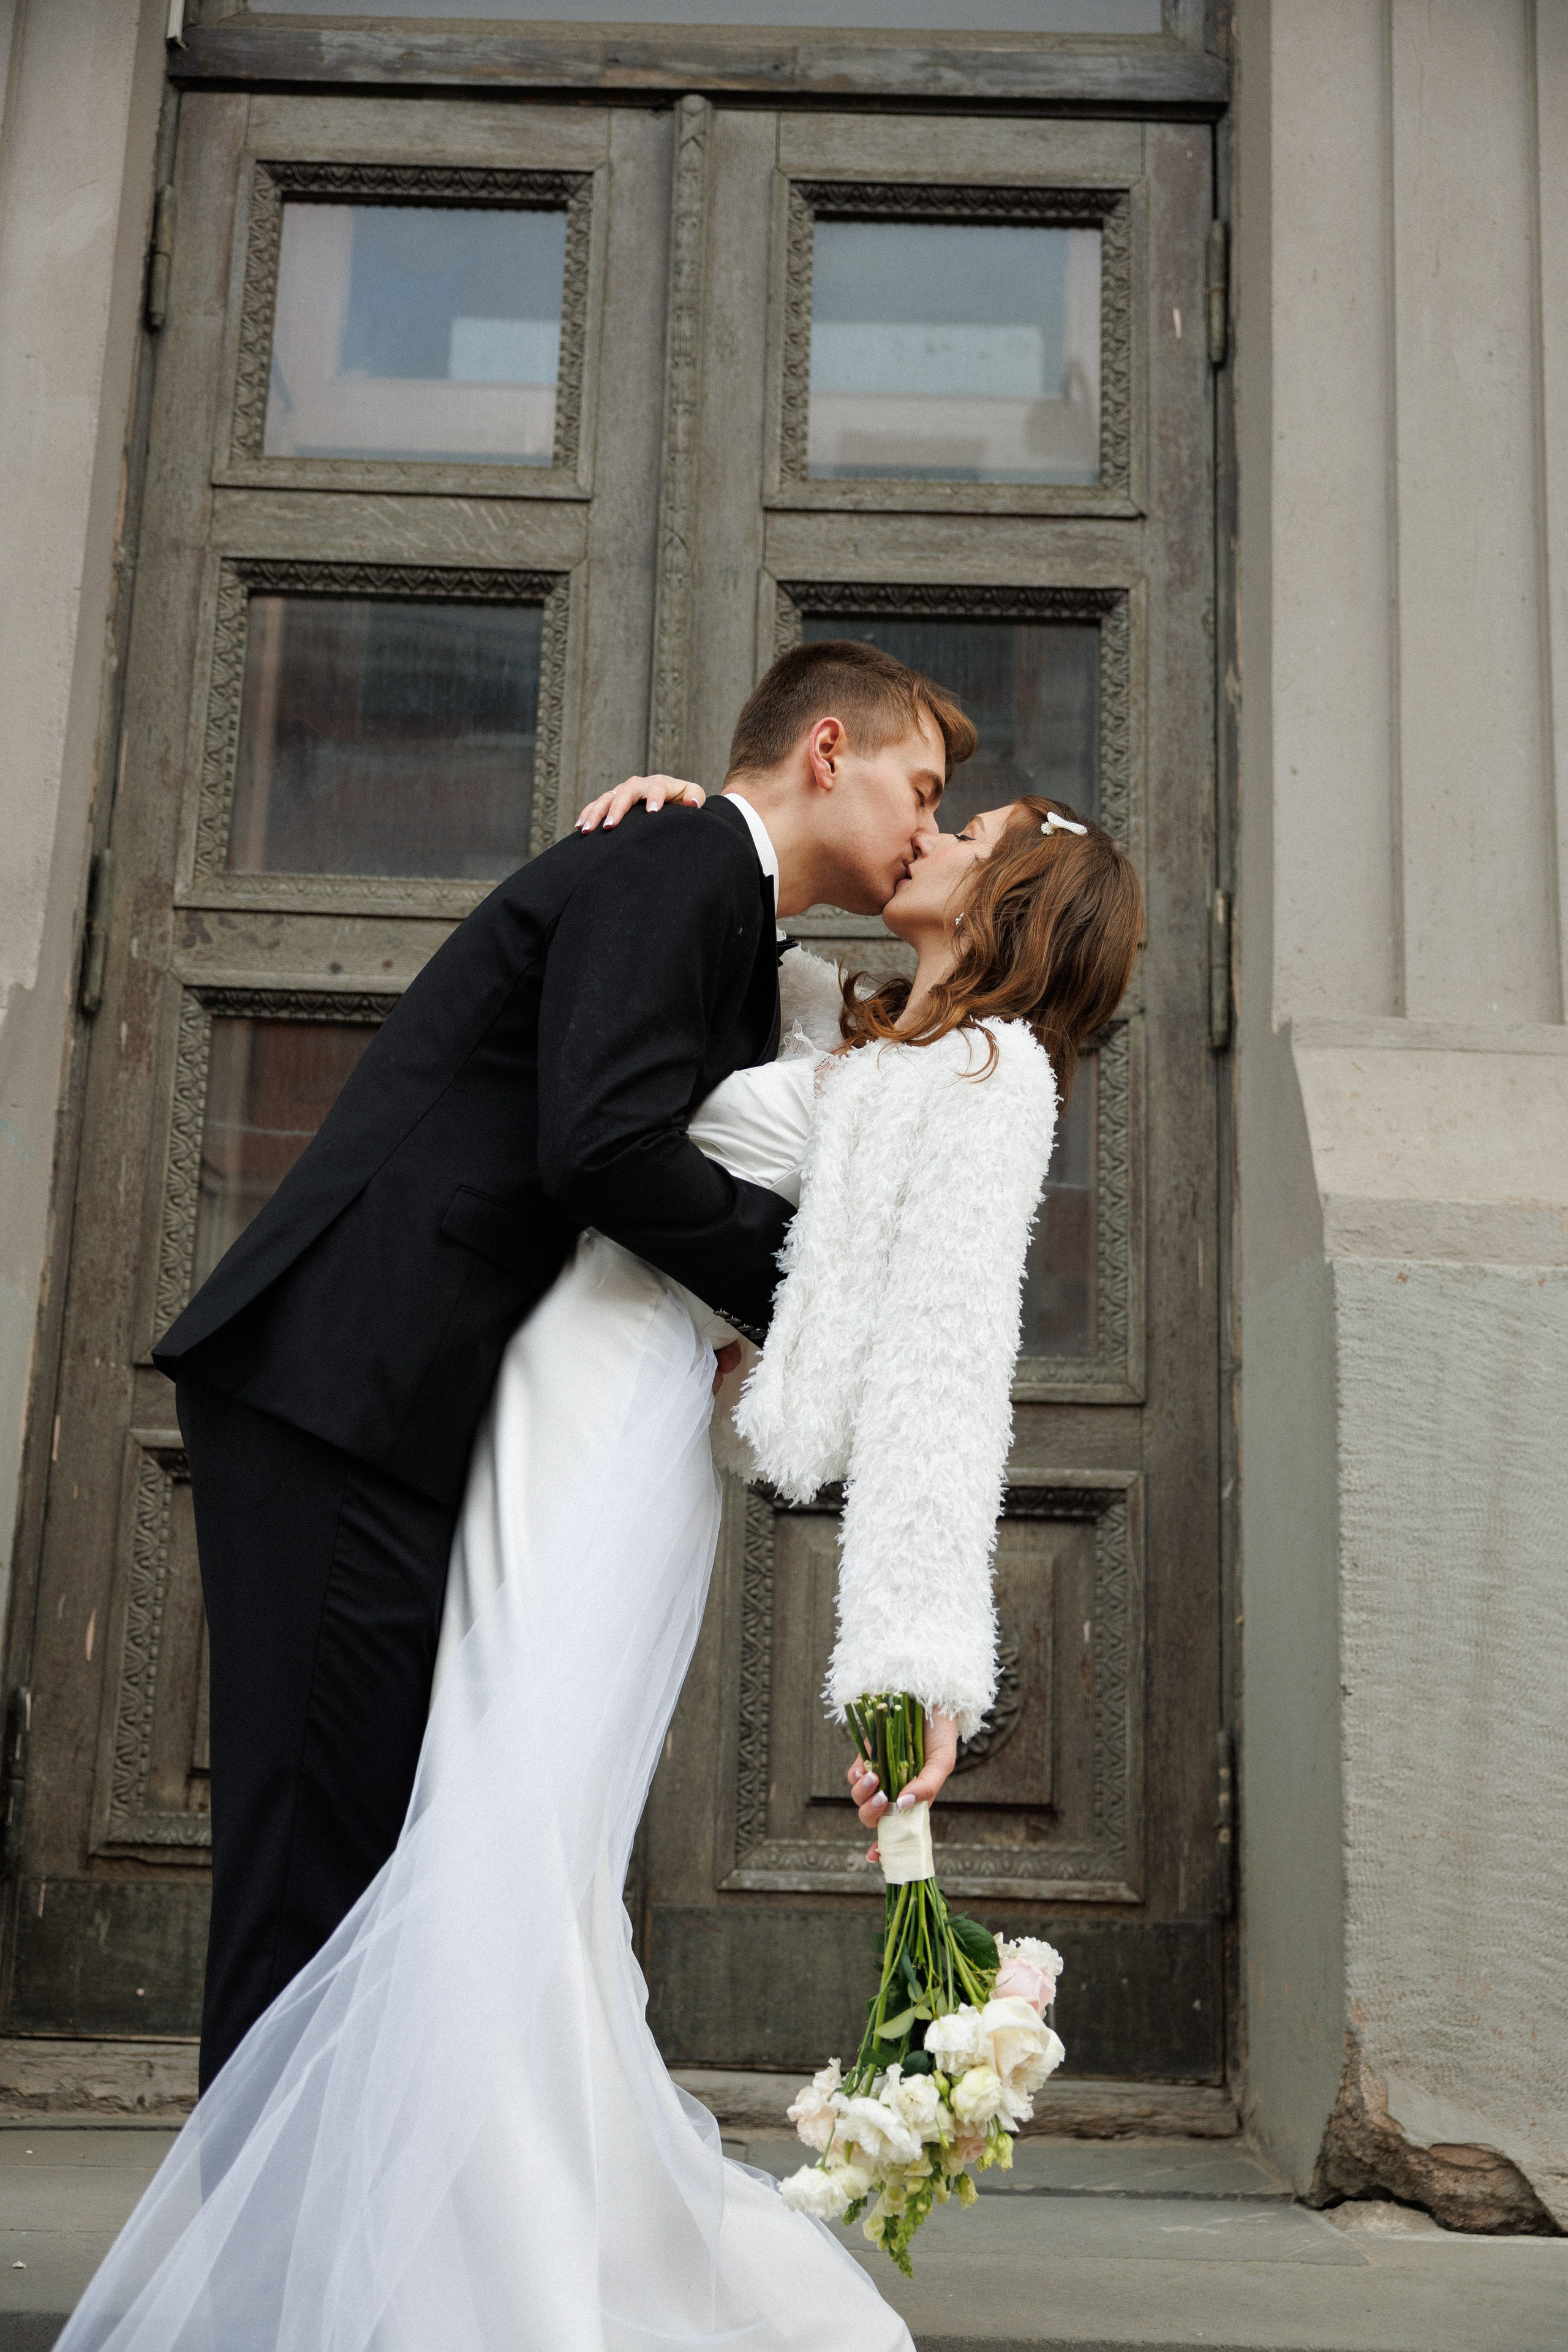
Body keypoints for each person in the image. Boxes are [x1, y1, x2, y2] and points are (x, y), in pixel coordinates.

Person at [59, 775, 1142, 2352]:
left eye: (967, 833)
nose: (933, 834)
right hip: (530, 1396)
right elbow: (694, 969)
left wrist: (913, 1672)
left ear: (1018, 904)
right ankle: (428, 2253)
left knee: (502, 1848)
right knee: (476, 1836)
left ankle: (489, 2290)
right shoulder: (846, 1023)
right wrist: (685, 808)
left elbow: (943, 1381)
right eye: (931, 801)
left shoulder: (989, 1080)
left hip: (605, 1447)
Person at [152, 639, 959, 2094]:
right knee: (307, 1872)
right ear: (828, 750)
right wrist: (809, 1297)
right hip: (349, 1377)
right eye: (922, 784)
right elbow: (598, 1147)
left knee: (370, 1854)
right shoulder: (678, 862)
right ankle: (259, 2292)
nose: (926, 825)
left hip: (410, 1403)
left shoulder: (721, 906)